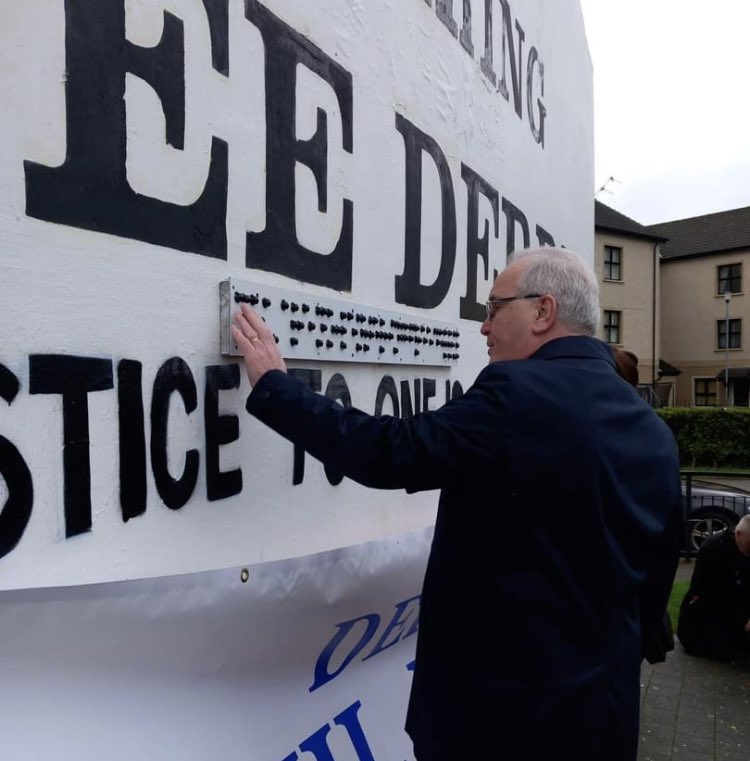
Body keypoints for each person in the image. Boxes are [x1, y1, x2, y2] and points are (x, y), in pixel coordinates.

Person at [232, 247, 682, 761]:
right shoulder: (655, 433)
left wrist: (274, 385)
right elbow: (655, 587)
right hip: (603, 721)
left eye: (493, 309)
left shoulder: (515, 393)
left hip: (497, 725)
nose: (484, 328)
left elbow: (391, 452)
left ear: (543, 311)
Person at [678, 514, 750, 662]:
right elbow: (711, 596)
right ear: (738, 534)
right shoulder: (713, 550)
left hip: (734, 610)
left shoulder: (744, 549)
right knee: (731, 651)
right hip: (707, 613)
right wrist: (743, 620)